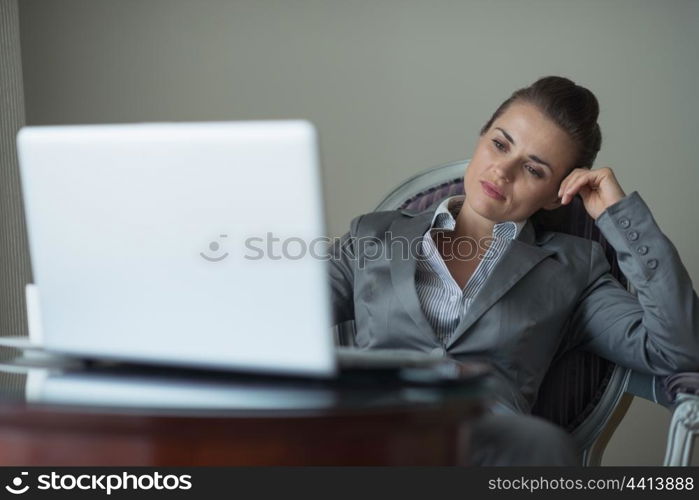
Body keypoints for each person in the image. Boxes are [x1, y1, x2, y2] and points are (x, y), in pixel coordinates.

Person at [328, 76, 699, 465]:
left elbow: (681, 350)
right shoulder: (373, 235)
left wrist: (620, 218)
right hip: (368, 432)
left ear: (559, 194)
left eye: (534, 170)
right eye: (500, 144)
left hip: (490, 447)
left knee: (543, 446)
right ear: (481, 135)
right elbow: (280, 320)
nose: (503, 172)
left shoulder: (574, 269)